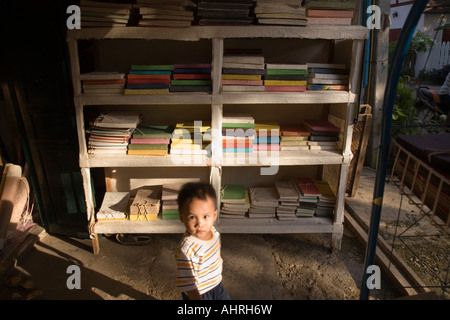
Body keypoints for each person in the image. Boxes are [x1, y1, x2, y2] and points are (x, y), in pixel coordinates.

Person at [175, 182, 230, 300]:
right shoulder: (188, 249)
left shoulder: (214, 232)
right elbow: (188, 284)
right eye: (192, 217)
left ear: (215, 215)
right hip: (199, 293)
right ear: (182, 217)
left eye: (205, 216)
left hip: (216, 285)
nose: (200, 224)